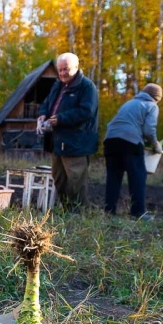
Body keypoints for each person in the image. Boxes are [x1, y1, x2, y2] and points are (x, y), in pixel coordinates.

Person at [36, 53, 99, 209]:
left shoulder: (86, 86)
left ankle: (78, 211)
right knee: (59, 177)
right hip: (57, 140)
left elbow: (86, 111)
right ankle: (65, 209)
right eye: (60, 70)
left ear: (76, 68)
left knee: (76, 178)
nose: (62, 73)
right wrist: (43, 114)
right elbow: (46, 103)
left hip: (76, 141)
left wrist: (61, 118)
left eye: (66, 69)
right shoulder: (58, 85)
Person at [102, 83, 163, 219]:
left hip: (110, 140)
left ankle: (109, 211)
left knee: (114, 177)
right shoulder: (152, 105)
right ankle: (138, 213)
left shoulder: (129, 103)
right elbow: (149, 129)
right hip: (130, 142)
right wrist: (155, 144)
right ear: (157, 97)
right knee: (138, 176)